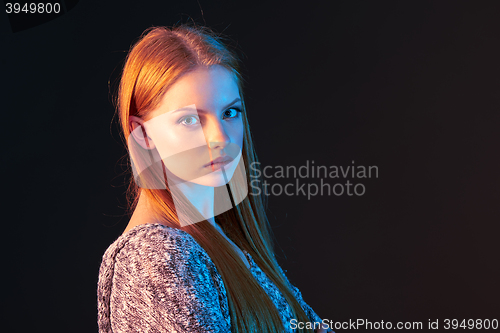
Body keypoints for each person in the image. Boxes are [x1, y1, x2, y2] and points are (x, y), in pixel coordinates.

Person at [97, 23, 333, 333]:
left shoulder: (219, 237)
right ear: (143, 135)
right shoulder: (156, 256)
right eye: (190, 120)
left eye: (230, 113)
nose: (219, 137)